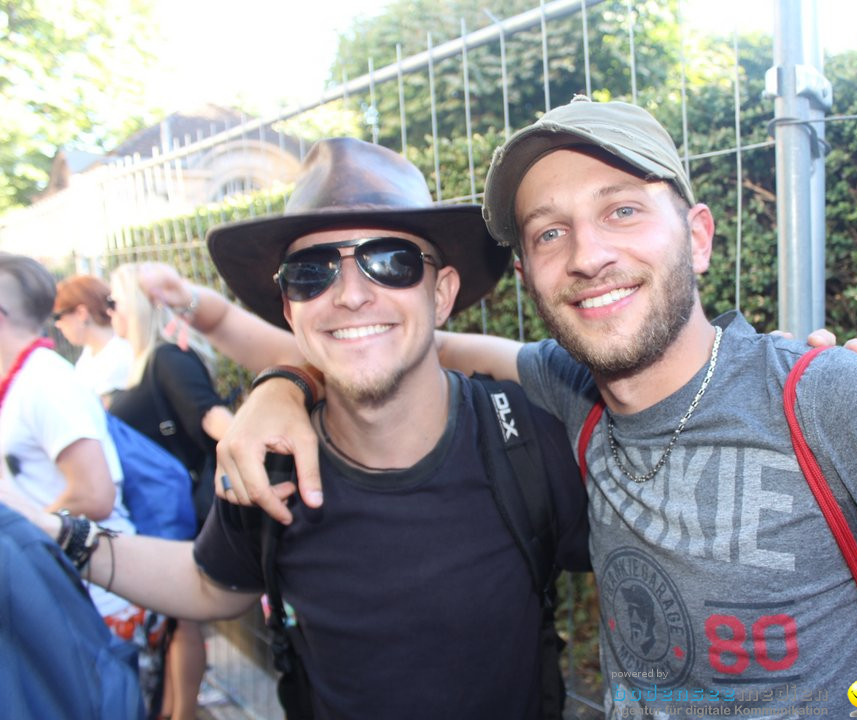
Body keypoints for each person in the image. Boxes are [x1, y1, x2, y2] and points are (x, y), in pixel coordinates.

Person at [219, 99, 857, 717]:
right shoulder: (568, 386)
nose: (588, 254)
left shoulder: (843, 402)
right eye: (549, 232)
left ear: (698, 237)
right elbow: (397, 341)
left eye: (623, 211)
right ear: (528, 275)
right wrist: (287, 384)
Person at [2, 137, 590, 719]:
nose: (352, 295)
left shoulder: (528, 439)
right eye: (312, 273)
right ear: (290, 310)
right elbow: (208, 584)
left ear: (441, 295)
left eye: (391, 262)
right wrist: (46, 530)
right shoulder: (271, 460)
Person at [106, 262, 235, 720]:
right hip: (154, 515)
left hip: (175, 516)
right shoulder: (145, 361)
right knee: (174, 621)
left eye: (113, 303)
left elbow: (211, 417)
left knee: (181, 621)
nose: (109, 314)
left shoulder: (167, 359)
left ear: (137, 307)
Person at [0, 254, 137, 618]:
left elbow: (95, 495)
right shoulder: (25, 380)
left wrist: (22, 529)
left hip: (97, 599)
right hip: (65, 588)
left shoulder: (45, 382)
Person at [53, 274, 134, 406]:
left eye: (58, 316)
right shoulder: (92, 352)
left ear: (81, 313)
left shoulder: (118, 357)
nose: (58, 324)